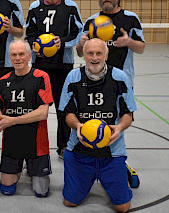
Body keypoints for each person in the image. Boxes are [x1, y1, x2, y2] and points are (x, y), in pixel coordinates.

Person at [75, 0, 145, 187]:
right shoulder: (91, 21)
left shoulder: (131, 19)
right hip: (93, 82)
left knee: (117, 123)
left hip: (121, 83)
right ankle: (93, 162)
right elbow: (80, 53)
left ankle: (118, 163)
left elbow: (141, 48)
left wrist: (128, 42)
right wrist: (80, 45)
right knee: (94, 122)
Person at [59, 38, 136, 212]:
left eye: (99, 53)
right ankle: (93, 175)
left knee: (122, 207)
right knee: (70, 202)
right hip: (79, 149)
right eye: (90, 53)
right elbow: (68, 113)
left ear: (106, 55)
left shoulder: (119, 77)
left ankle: (124, 171)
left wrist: (120, 127)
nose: (94, 57)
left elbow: (128, 114)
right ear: (83, 56)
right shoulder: (73, 77)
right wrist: (77, 125)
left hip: (111, 150)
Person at [25, 0, 83, 159]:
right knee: (35, 109)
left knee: (62, 107)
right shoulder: (35, 7)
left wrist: (62, 43)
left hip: (62, 66)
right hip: (39, 65)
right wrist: (34, 45)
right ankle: (32, 146)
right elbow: (29, 33)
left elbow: (78, 31)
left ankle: (63, 146)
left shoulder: (70, 6)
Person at [0, 40, 53, 198]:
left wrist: (13, 120)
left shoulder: (41, 77)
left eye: (21, 54)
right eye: (14, 55)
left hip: (36, 142)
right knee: (7, 190)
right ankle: (19, 167)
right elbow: (1, 110)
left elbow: (43, 113)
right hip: (12, 141)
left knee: (41, 192)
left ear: (29, 56)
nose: (18, 58)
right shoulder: (2, 81)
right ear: (9, 57)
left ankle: (32, 168)